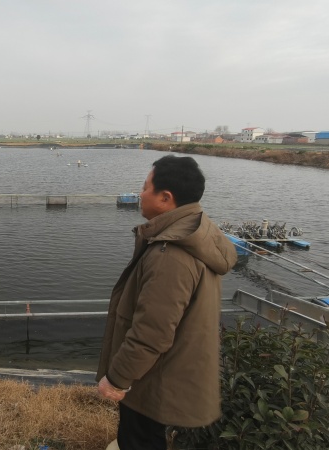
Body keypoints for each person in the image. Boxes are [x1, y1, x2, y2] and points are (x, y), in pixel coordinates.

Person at [96, 155, 238, 450]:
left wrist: (117, 379)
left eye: (145, 187)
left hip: (153, 380)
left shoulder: (169, 255)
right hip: (169, 370)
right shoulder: (196, 232)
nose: (140, 194)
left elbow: (152, 332)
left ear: (165, 197)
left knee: (139, 440)